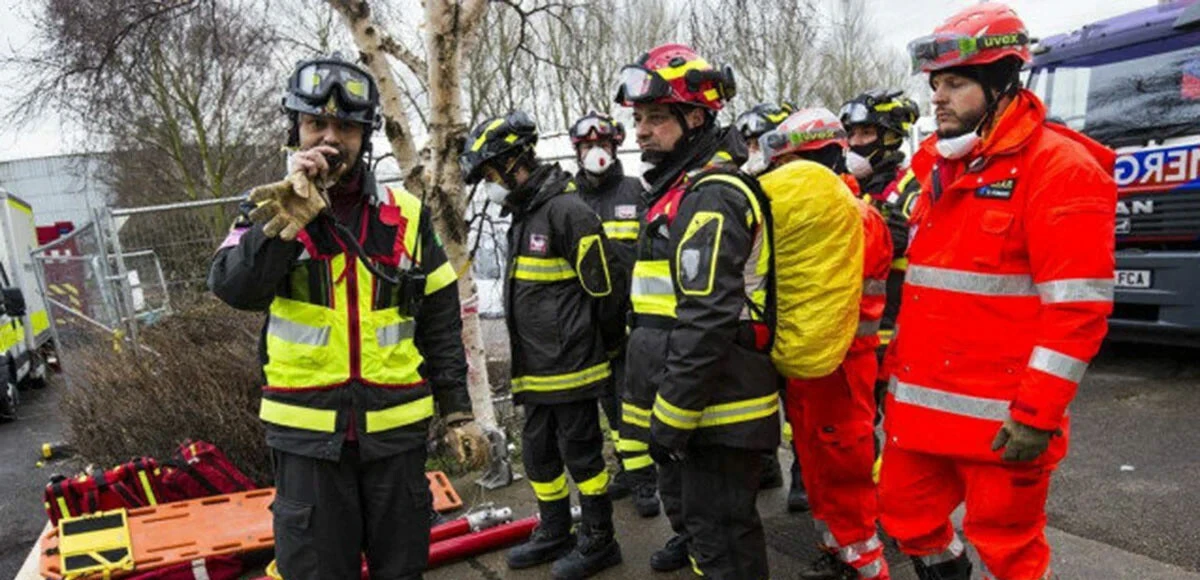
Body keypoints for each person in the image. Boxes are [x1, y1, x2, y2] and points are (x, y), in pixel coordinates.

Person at [208, 54, 486, 580]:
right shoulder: (267, 208)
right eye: (316, 124)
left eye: (345, 126)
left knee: (402, 570)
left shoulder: (405, 213)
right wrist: (281, 227)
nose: (330, 138)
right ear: (296, 130)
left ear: (366, 134)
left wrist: (456, 412)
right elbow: (232, 288)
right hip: (308, 443)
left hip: (396, 438)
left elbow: (440, 316)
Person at [879, 4, 1116, 579]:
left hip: (1003, 420)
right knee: (903, 516)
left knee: (1008, 548)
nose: (938, 97)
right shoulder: (940, 164)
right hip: (920, 413)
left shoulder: (1060, 169)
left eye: (955, 83)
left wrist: (1037, 414)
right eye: (936, 84)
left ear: (1002, 82)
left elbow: (1077, 310)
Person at [616, 43, 777, 579]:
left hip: (715, 409)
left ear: (697, 116)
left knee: (723, 540)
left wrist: (672, 415)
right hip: (692, 404)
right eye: (638, 118)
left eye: (655, 118)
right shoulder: (677, 189)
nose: (640, 131)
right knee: (703, 535)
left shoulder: (712, 195)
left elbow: (706, 315)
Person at [461, 110, 627, 580]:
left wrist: (605, 348)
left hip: (572, 367)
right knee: (538, 454)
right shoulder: (526, 214)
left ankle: (599, 539)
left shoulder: (568, 212)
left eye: (491, 173)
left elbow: (607, 291)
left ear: (515, 163)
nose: (491, 184)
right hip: (535, 370)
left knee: (583, 457)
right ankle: (555, 529)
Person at [752, 108, 892, 580]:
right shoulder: (819, 216)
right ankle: (836, 552)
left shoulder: (858, 218)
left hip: (846, 368)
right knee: (815, 465)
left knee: (845, 470)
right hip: (808, 367)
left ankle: (866, 565)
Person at [567, 111, 659, 518]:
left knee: (632, 402)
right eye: (587, 146)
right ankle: (627, 470)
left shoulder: (636, 191)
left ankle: (645, 483)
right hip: (587, 325)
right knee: (607, 404)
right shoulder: (568, 197)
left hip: (629, 321)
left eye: (600, 145)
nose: (594, 153)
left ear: (614, 147)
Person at [733, 100, 810, 511]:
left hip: (795, 303)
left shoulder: (807, 184)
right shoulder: (748, 188)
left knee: (797, 398)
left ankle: (802, 472)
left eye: (759, 141)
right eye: (746, 143)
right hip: (760, 307)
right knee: (759, 391)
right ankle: (766, 464)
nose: (753, 151)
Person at [839, 90, 922, 349]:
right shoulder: (844, 186)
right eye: (851, 134)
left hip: (891, 333)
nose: (855, 142)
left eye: (866, 133)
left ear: (889, 138)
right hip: (847, 333)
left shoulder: (914, 187)